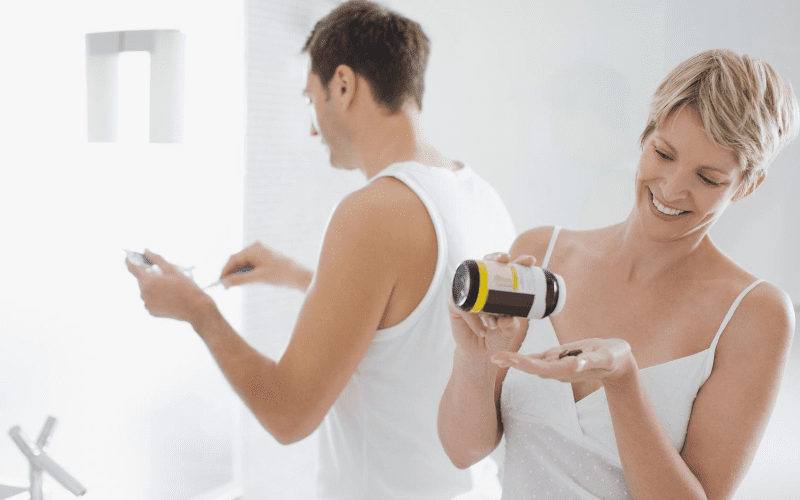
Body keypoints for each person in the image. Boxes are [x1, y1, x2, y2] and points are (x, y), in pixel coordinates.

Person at [126, 1, 515, 498]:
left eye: (311, 98)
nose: (312, 126)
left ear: (344, 85)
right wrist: (300, 276)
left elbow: (288, 414)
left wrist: (198, 311)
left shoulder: (373, 212)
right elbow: (417, 325)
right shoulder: (479, 195)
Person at [438, 48, 799, 499]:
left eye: (708, 179)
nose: (672, 188)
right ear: (644, 135)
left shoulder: (755, 315)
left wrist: (625, 385)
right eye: (664, 154)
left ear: (746, 185)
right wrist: (473, 359)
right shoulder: (541, 253)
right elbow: (462, 450)